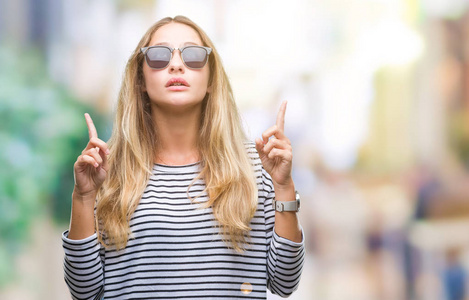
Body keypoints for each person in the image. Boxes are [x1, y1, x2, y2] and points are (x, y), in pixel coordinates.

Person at [62, 15, 304, 299]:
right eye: (158, 56)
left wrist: (284, 187)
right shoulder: (106, 168)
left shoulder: (256, 165)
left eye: (192, 55)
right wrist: (83, 196)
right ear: (140, 79)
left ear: (211, 78)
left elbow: (284, 283)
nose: (176, 65)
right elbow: (83, 290)